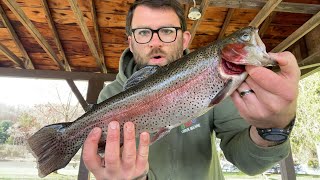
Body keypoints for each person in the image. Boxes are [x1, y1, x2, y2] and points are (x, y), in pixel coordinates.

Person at [82, 0, 300, 179]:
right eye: (143, 32)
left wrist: (273, 128)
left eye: (167, 31)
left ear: (185, 39)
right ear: (131, 42)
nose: (155, 42)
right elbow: (104, 158)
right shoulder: (110, 96)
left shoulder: (222, 84)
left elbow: (249, 163)